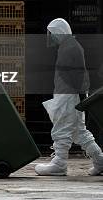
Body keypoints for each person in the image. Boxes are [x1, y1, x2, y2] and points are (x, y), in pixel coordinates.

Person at [35, 18, 103, 176]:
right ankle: (100, 161)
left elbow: (76, 74)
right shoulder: (69, 46)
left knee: (61, 127)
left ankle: (59, 163)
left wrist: (78, 94)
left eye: (52, 33)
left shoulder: (69, 48)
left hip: (68, 96)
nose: (50, 37)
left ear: (59, 32)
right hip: (71, 95)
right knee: (79, 131)